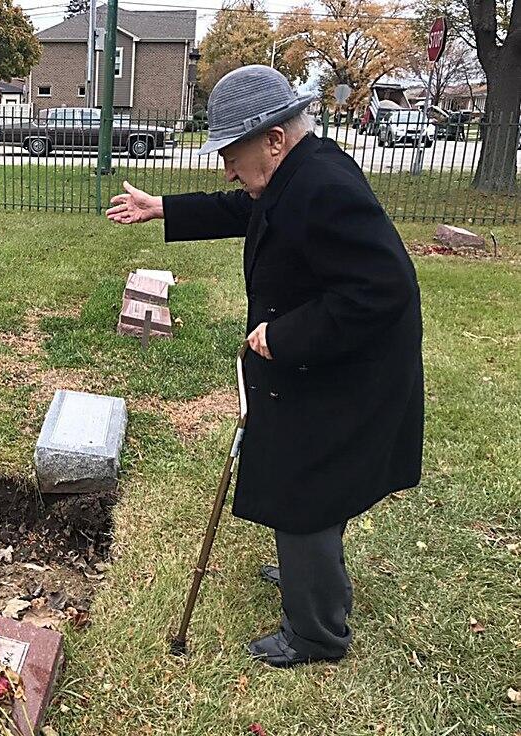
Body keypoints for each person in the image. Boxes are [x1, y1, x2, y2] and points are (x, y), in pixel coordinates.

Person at [107, 65, 424, 668]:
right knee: (310, 481)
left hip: (346, 372)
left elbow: (383, 289)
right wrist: (162, 208)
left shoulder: (323, 187)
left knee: (304, 487)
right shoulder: (297, 174)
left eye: (232, 154)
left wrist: (285, 335)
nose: (227, 169)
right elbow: (246, 208)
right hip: (328, 365)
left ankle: (316, 634)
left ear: (274, 139)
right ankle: (308, 569)